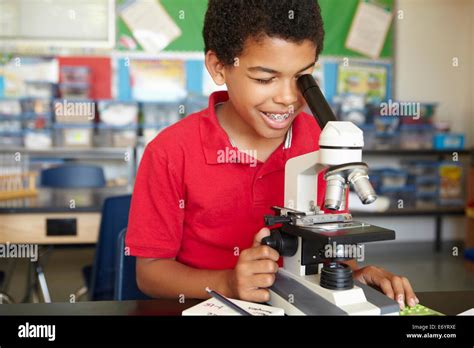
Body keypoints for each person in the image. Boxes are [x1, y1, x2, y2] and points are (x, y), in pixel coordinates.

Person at [126, 0, 418, 310]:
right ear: (218, 67)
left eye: (303, 78)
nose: (288, 98)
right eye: (265, 79)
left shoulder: (322, 143)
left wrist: (353, 277)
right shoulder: (171, 152)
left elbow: (329, 248)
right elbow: (150, 273)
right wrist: (227, 282)